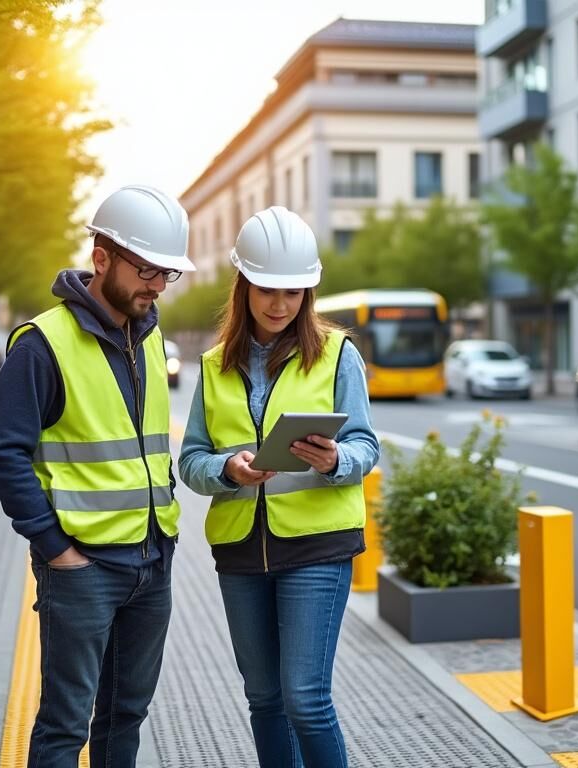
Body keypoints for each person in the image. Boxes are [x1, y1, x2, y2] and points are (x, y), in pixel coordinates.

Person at [0, 184, 194, 767]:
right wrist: (56, 550)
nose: (157, 285)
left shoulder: (150, 338)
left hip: (152, 560)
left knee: (126, 716)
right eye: (147, 270)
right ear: (101, 258)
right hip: (83, 569)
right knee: (65, 725)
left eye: (167, 273)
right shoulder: (42, 345)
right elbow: (2, 456)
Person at [178, 206, 378, 768]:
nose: (279, 303)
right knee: (264, 701)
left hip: (317, 547)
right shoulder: (213, 365)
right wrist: (228, 470)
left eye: (293, 292)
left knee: (305, 701)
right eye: (267, 289)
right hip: (241, 550)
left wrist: (336, 459)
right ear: (243, 285)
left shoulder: (338, 355)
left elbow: (366, 446)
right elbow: (190, 461)